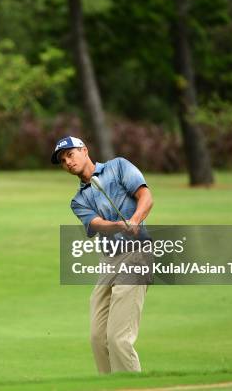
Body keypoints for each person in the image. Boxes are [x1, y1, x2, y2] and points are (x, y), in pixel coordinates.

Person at [51, 136, 154, 374]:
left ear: (85, 150)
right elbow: (96, 224)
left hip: (137, 253)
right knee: (98, 339)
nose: (67, 161)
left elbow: (145, 196)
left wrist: (135, 220)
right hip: (110, 260)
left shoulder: (118, 166)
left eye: (70, 154)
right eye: (62, 160)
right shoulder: (78, 200)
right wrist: (119, 225)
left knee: (119, 339)